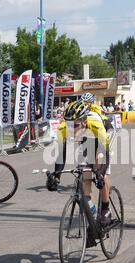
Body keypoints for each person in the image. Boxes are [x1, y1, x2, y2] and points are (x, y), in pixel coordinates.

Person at [46, 100, 112, 248]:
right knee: (84, 176)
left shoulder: (95, 124)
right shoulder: (63, 129)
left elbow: (105, 153)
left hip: (101, 137)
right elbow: (60, 155)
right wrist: (56, 176)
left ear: (84, 121)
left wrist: (100, 173)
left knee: (101, 168)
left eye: (75, 125)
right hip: (86, 141)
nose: (71, 129)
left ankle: (106, 209)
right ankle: (92, 222)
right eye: (69, 125)